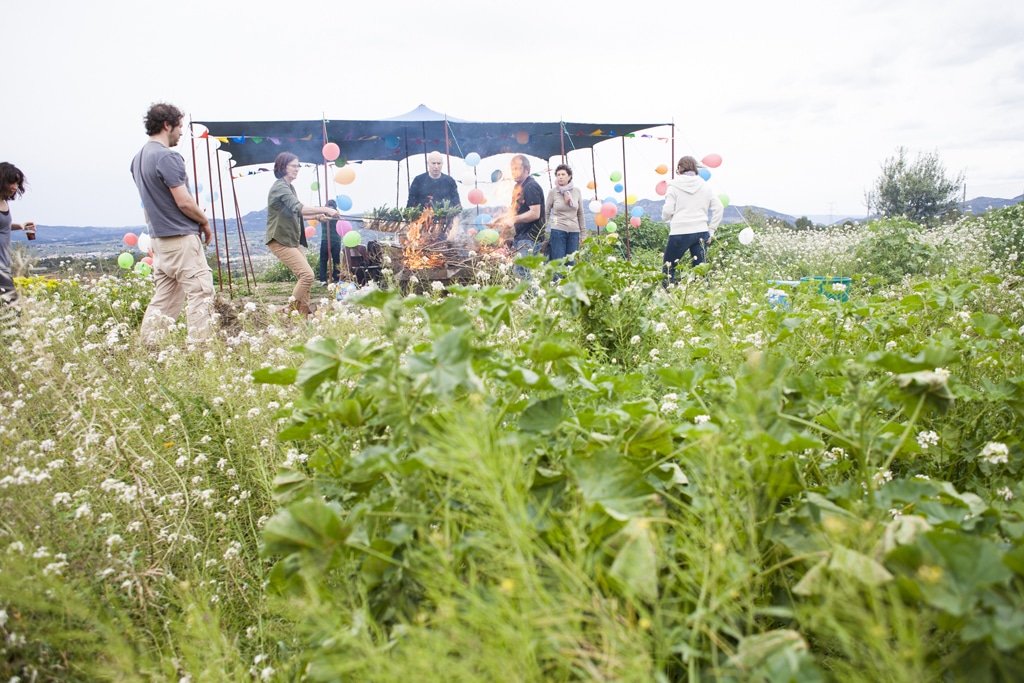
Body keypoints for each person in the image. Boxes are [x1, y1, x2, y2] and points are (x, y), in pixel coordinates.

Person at [130, 103, 216, 345]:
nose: (180, 133)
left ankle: (150, 348)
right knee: (201, 293)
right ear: (167, 125)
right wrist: (204, 222)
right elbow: (184, 201)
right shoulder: (167, 157)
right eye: (179, 127)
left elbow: (147, 205)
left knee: (165, 299)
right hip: (180, 238)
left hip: (159, 240)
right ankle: (202, 349)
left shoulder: (137, 159)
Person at [266, 152, 340, 317]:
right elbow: (299, 208)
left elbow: (296, 213)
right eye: (294, 165)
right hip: (280, 240)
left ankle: (302, 315)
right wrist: (326, 209)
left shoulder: (289, 187)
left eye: (298, 165)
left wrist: (317, 216)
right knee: (307, 275)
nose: (297, 169)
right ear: (283, 167)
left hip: (291, 241)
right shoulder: (280, 187)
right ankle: (288, 309)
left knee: (305, 279)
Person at [661, 155, 723, 286]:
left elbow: (667, 211)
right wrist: (711, 230)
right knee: (701, 271)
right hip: (701, 231)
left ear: (679, 168)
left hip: (679, 231)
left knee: (668, 268)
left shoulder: (673, 186)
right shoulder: (705, 186)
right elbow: (719, 207)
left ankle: (668, 294)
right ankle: (704, 294)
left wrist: (665, 217)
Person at [1, 162, 35, 331]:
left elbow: (3, 226)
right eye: (11, 182)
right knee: (14, 310)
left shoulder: (3, 202)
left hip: (4, 264)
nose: (14, 187)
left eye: (17, 183)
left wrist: (20, 226)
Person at [507, 154, 546, 278]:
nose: (514, 172)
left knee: (523, 273)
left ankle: (531, 292)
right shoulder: (517, 187)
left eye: (517, 168)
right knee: (519, 274)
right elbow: (515, 211)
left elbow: (535, 213)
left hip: (530, 238)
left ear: (527, 169)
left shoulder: (531, 186)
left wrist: (513, 219)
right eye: (512, 169)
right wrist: (500, 220)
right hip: (521, 237)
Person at [545, 163, 585, 264]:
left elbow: (580, 213)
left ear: (569, 176)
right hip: (558, 229)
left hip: (574, 231)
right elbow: (546, 212)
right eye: (558, 175)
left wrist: (583, 233)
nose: (560, 177)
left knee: (571, 262)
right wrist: (543, 230)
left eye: (563, 174)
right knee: (558, 262)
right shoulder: (553, 192)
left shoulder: (576, 191)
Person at [319, 199, 341, 285]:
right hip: (336, 240)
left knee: (323, 260)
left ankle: (323, 280)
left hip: (325, 239)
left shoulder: (323, 214)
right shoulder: (337, 214)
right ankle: (336, 279)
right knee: (336, 260)